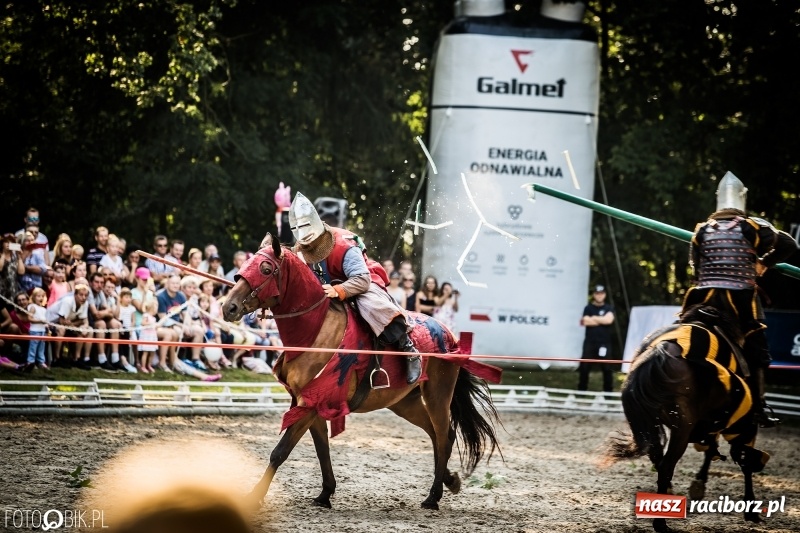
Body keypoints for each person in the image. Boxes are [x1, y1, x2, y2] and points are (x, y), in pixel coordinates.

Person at [681, 172, 799, 427]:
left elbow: (695, 269)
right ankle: (758, 406)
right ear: (742, 198)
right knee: (757, 350)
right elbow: (789, 245)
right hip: (739, 299)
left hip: (703, 296)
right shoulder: (753, 226)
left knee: (682, 334)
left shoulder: (701, 230)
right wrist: (764, 263)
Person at [288, 192, 421, 384]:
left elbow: (362, 279)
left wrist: (339, 290)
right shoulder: (300, 248)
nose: (309, 247)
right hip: (325, 289)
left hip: (361, 283)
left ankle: (408, 350)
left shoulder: (344, 244)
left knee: (373, 306)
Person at [577, 285, 615, 393]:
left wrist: (593, 318)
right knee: (584, 367)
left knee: (607, 368)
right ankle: (581, 391)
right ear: (594, 295)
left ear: (605, 295)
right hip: (590, 342)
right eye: (597, 294)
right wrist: (601, 320)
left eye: (601, 293)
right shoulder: (588, 308)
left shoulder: (609, 308)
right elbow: (585, 321)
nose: (599, 296)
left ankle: (608, 393)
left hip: (604, 343)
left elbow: (609, 320)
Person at [25, 287, 49, 370]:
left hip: (42, 331)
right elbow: (29, 318)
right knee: (33, 347)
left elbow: (45, 320)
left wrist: (46, 325)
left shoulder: (43, 309)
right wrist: (40, 321)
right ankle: (30, 362)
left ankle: (41, 362)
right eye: (38, 296)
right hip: (35, 331)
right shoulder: (32, 307)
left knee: (41, 348)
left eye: (42, 296)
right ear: (34, 297)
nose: (41, 298)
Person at [0, 233, 25, 300]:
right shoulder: (0, 255)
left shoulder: (15, 256)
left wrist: (19, 257)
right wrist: (4, 253)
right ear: (2, 244)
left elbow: (21, 272)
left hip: (13, 288)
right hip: (1, 288)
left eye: (11, 242)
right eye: (6, 242)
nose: (9, 244)